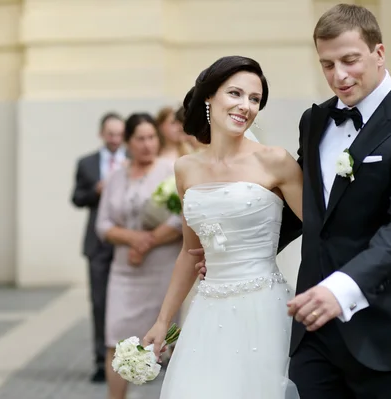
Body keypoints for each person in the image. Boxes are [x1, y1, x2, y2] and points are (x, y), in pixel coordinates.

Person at [195, 4, 391, 397]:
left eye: (350, 60)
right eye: (327, 64)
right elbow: (311, 207)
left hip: (385, 331)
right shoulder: (315, 120)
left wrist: (341, 288)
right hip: (312, 331)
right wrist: (237, 250)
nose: (339, 76)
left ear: (379, 53)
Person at [142, 55, 303, 398]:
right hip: (207, 311)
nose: (246, 106)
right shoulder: (186, 168)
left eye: (255, 99)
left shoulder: (275, 160)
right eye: (235, 94)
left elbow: (324, 229)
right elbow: (189, 252)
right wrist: (163, 320)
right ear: (208, 97)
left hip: (263, 309)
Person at [95, 113, 183, 399]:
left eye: (151, 138)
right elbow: (103, 224)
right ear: (128, 142)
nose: (147, 144)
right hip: (124, 272)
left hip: (162, 270)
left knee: (165, 343)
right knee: (115, 338)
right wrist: (133, 239)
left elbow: (183, 218)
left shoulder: (172, 170)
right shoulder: (116, 175)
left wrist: (147, 243)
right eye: (140, 139)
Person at [71, 112, 125, 383]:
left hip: (128, 241)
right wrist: (96, 190)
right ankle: (99, 361)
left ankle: (130, 359)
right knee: (99, 303)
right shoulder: (87, 163)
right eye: (110, 134)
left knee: (128, 303)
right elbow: (77, 198)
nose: (115, 139)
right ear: (102, 134)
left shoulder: (134, 160)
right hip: (97, 243)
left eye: (119, 134)